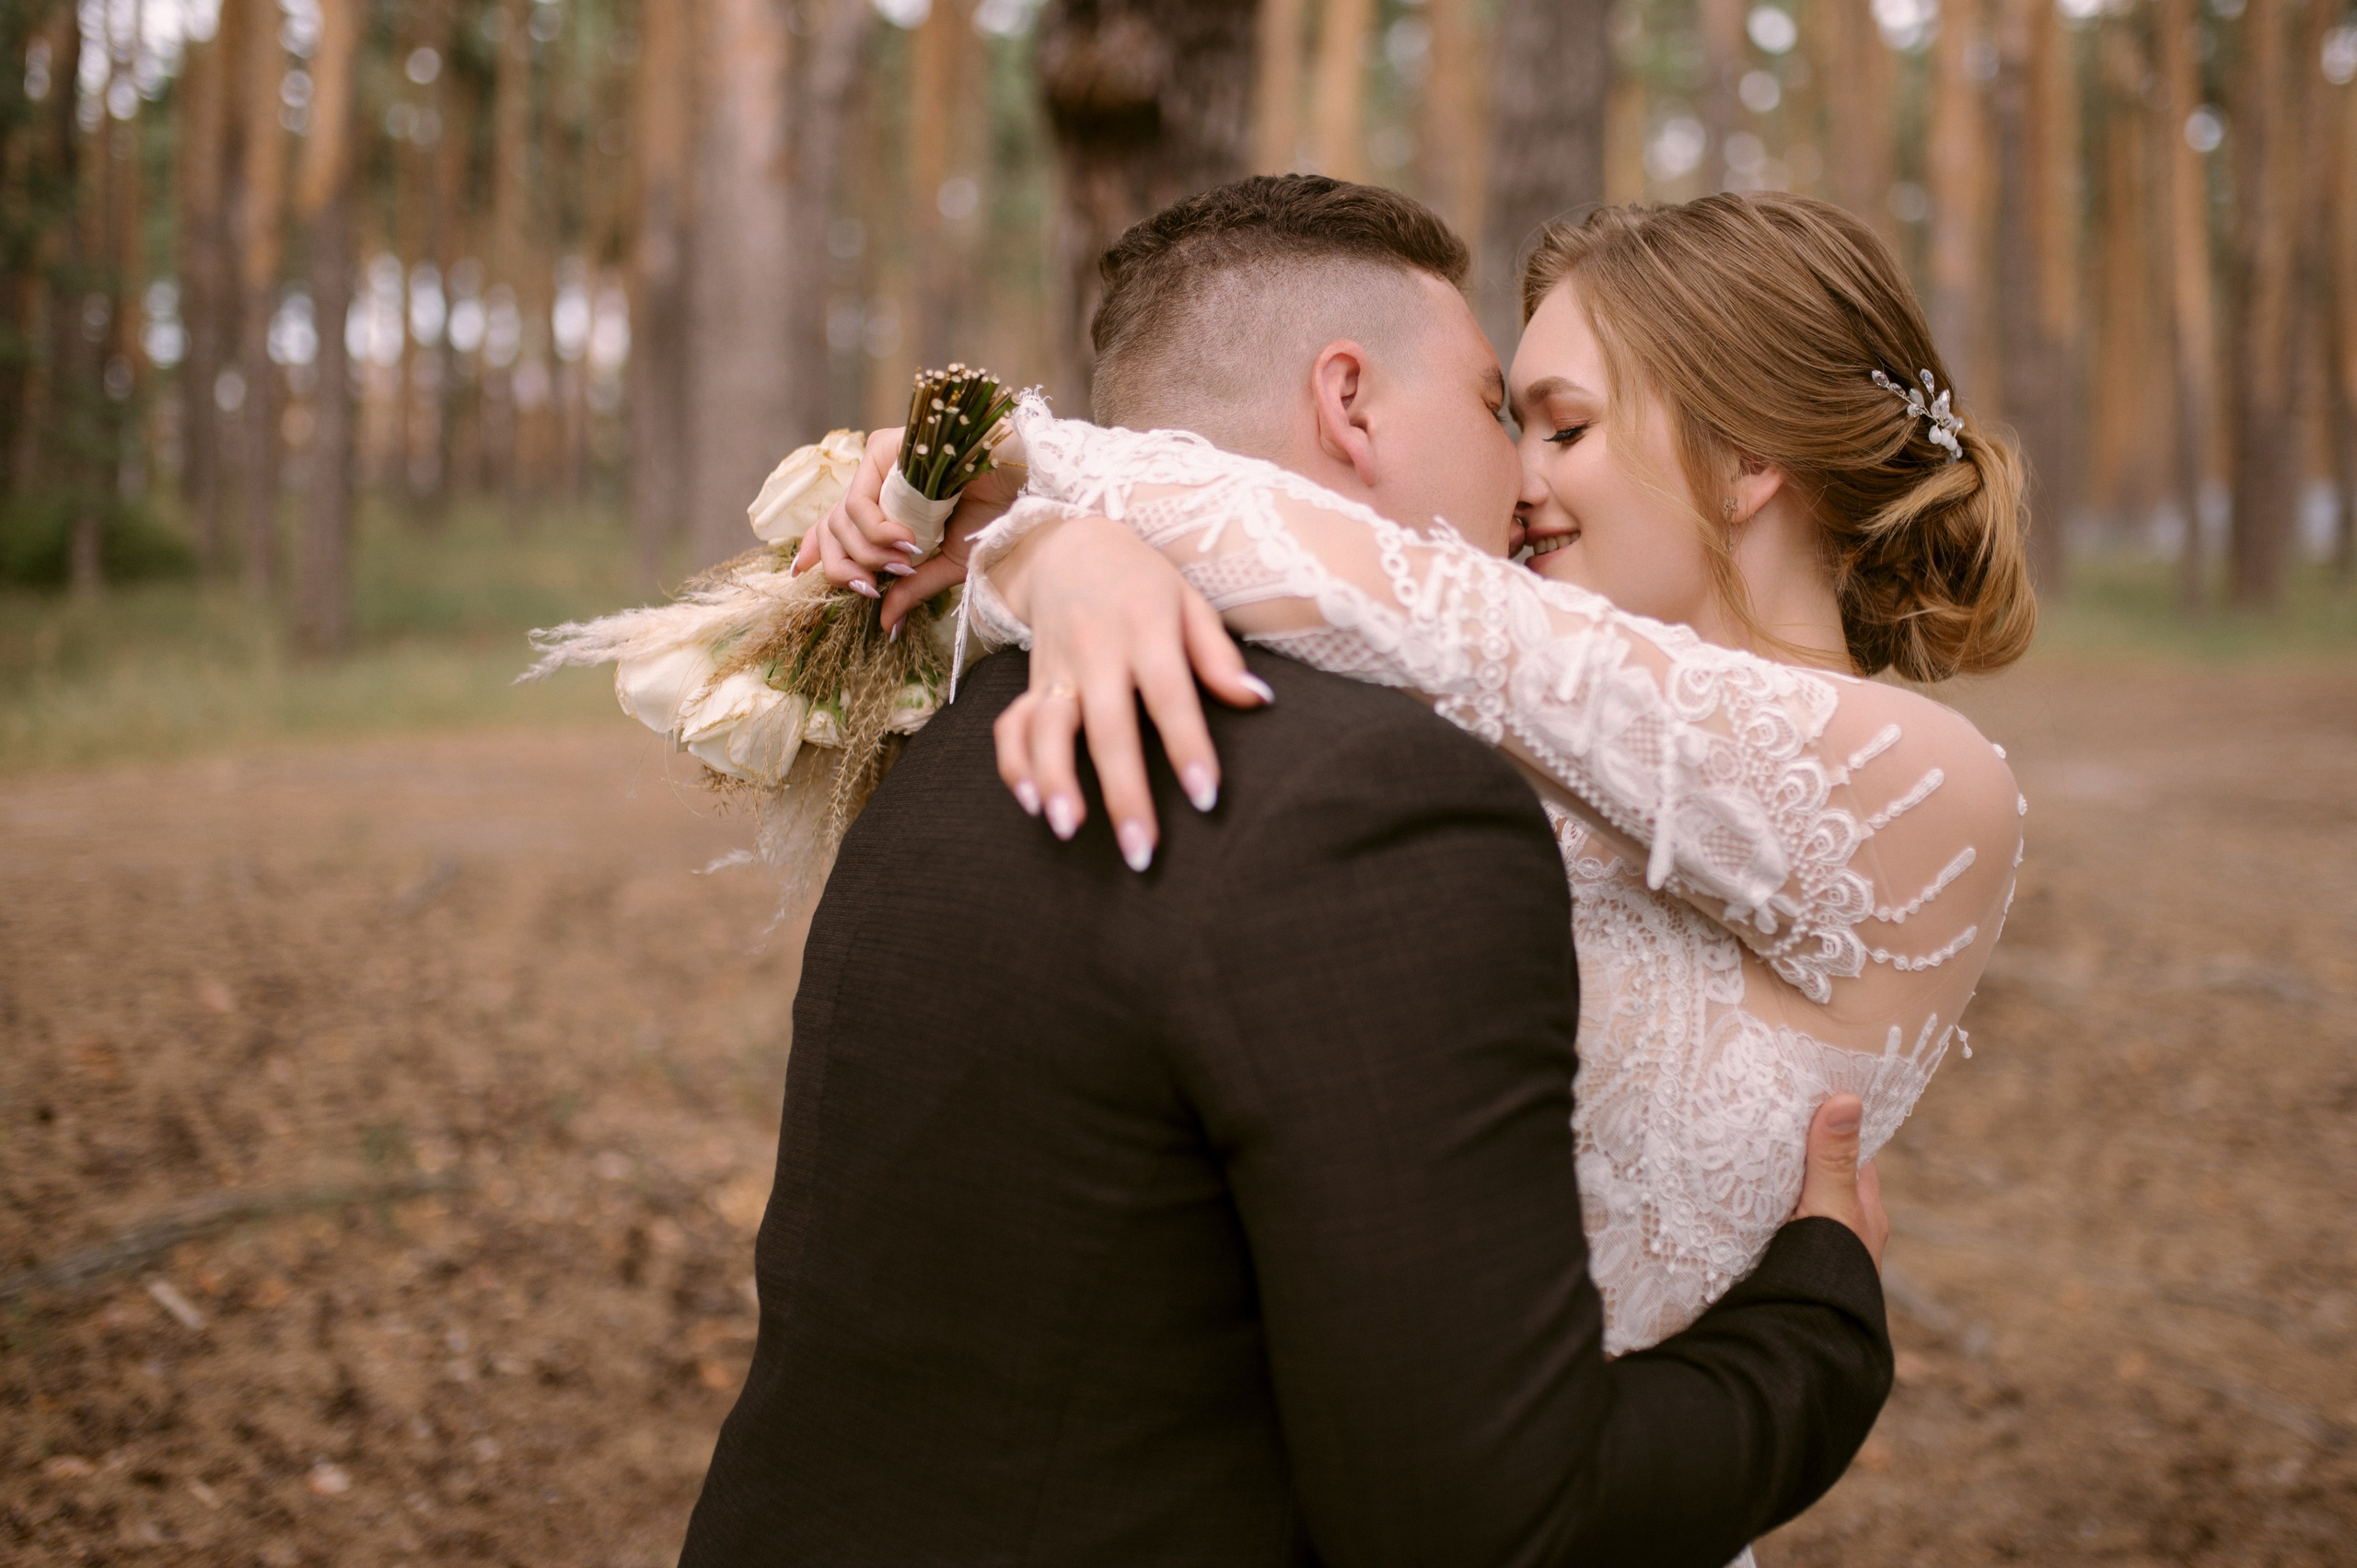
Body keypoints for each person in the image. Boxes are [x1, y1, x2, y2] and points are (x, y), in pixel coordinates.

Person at [679, 180, 1901, 1568]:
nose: (1521, 477)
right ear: (1350, 403)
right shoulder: (1377, 803)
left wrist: (1049, 540)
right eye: (1502, 409)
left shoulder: (951, 731)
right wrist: (1825, 1321)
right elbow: (1487, 1521)